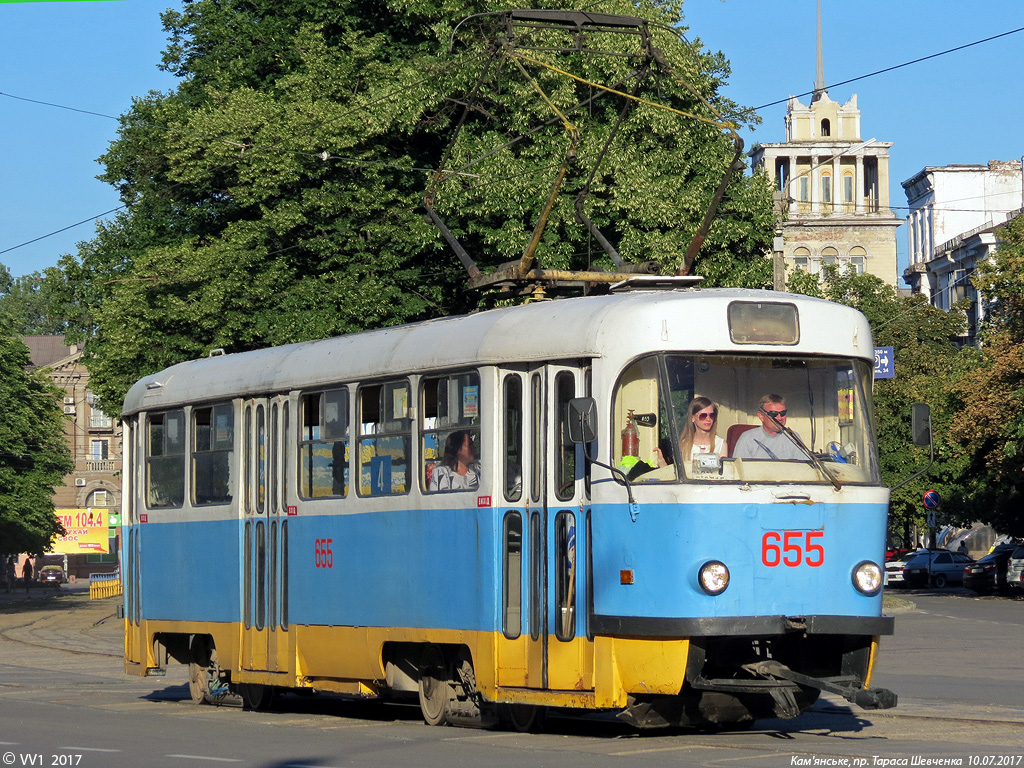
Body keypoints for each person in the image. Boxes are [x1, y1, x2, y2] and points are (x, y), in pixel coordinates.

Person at [733, 394, 806, 461]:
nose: (779, 418)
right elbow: (739, 470)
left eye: (783, 413)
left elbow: (804, 468)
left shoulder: (793, 437)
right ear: (761, 416)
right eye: (774, 414)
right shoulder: (748, 438)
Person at [657, 396, 725, 468]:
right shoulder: (683, 445)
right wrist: (662, 463)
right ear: (692, 418)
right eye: (703, 416)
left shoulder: (721, 444)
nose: (708, 419)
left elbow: (725, 473)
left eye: (712, 415)